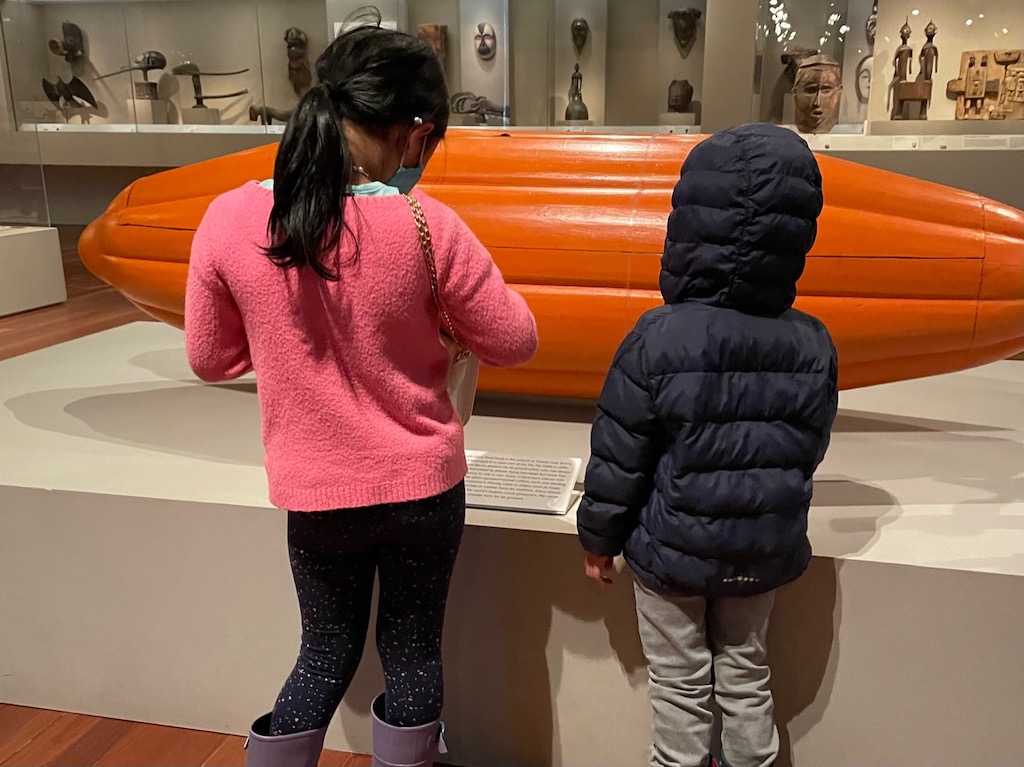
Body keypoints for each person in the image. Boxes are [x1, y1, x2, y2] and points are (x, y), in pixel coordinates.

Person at [184, 18, 538, 767]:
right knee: (411, 653)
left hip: (315, 492)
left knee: (322, 652)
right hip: (422, 491)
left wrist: (283, 329)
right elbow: (516, 340)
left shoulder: (229, 219)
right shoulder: (426, 224)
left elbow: (210, 358)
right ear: (414, 133)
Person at [577, 123, 838, 767]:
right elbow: (810, 446)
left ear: (689, 225)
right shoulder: (813, 342)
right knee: (748, 678)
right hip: (763, 551)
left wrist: (599, 539)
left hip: (670, 554)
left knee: (680, 687)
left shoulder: (658, 336)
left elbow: (620, 451)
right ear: (797, 232)